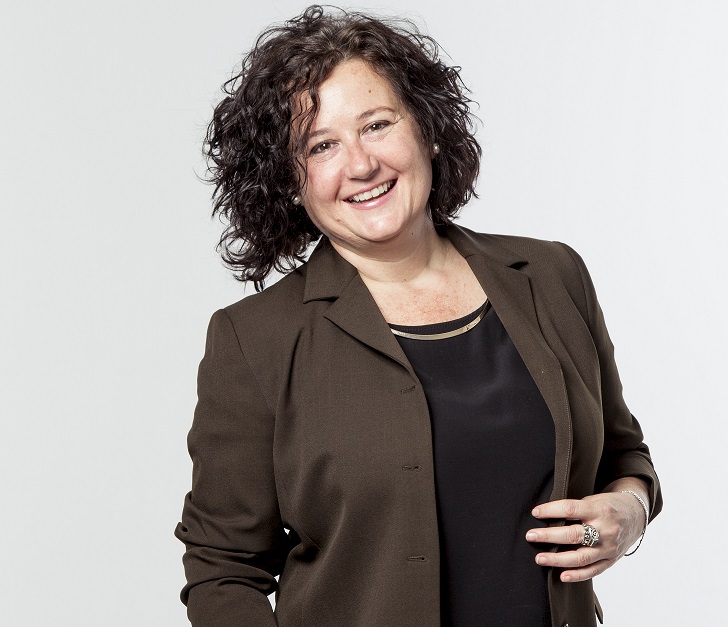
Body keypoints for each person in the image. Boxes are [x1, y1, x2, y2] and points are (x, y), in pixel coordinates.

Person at [175, 5, 662, 626]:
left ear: (427, 127)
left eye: (377, 125)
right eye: (321, 146)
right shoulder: (256, 339)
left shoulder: (551, 276)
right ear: (290, 181)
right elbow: (223, 570)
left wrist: (630, 514)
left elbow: (624, 454)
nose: (361, 165)